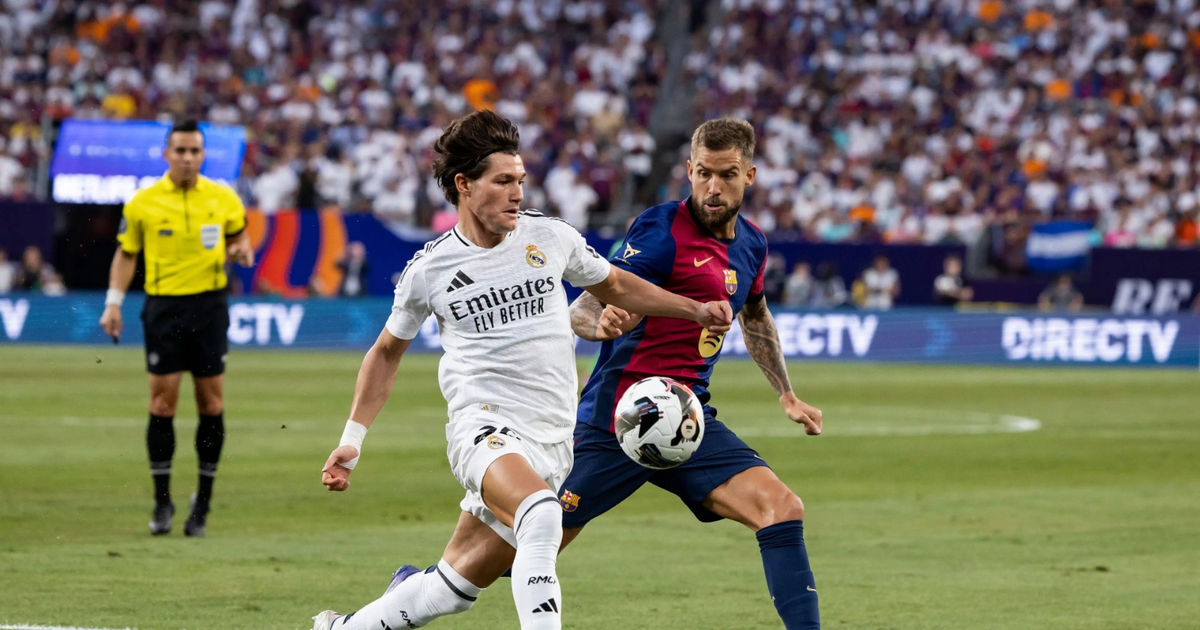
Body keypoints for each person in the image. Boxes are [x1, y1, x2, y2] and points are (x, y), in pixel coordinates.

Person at [359, 117, 824, 630]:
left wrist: (787, 393)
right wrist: (598, 324)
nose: (714, 188)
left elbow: (754, 314)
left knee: (782, 508)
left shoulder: (751, 245)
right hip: (613, 423)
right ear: (689, 171)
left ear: (750, 176)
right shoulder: (661, 230)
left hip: (688, 420)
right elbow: (589, 304)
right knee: (507, 554)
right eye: (704, 174)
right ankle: (419, 587)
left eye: (728, 176)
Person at [98, 120, 255, 538]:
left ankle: (201, 504)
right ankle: (162, 501)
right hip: (163, 308)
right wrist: (113, 302)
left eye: (195, 151)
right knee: (162, 404)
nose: (187, 158)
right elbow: (126, 254)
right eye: (180, 150)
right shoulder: (142, 204)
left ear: (203, 156)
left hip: (209, 306)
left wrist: (241, 251)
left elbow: (242, 242)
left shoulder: (223, 198)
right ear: (166, 154)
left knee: (212, 404)